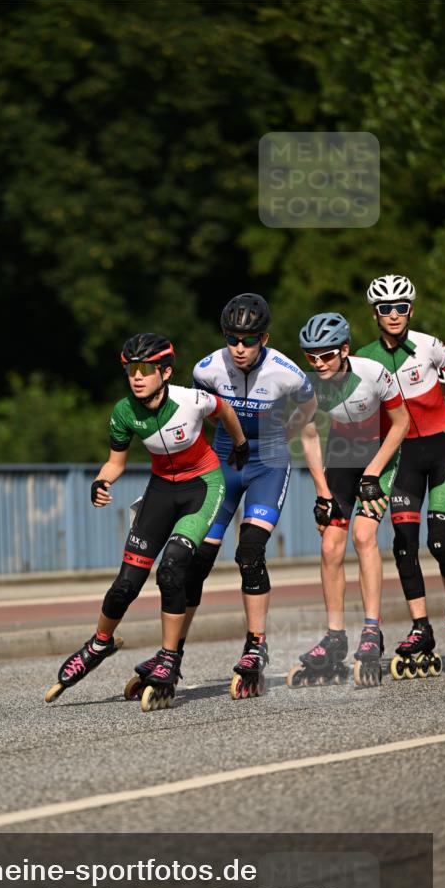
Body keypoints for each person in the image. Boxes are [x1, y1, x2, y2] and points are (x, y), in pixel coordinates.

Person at [44, 332, 248, 711]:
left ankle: (169, 657)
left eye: (144, 370)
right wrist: (101, 481)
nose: (136, 377)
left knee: (171, 570)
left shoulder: (190, 399)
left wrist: (239, 444)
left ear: (165, 372)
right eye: (130, 370)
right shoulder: (124, 412)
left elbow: (225, 411)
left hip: (203, 487)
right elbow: (116, 462)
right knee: (126, 583)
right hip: (161, 491)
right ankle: (101, 642)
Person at [181, 293, 324, 699]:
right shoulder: (207, 369)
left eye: (249, 340)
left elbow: (309, 407)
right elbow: (198, 413)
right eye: (232, 339)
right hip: (225, 460)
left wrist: (285, 437)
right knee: (197, 560)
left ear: (265, 337)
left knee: (250, 551)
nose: (240, 349)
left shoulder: (287, 372)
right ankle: (172, 654)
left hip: (268, 462)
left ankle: (255, 645)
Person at [288, 312, 410, 688]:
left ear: (344, 350)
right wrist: (322, 492)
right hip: (342, 456)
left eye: (326, 355)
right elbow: (308, 437)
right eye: (311, 357)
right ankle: (336, 635)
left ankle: (372, 628)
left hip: (382, 452)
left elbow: (402, 424)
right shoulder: (309, 387)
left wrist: (373, 472)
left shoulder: (373, 374)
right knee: (330, 546)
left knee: (362, 536)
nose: (319, 364)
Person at [359, 275, 445, 671]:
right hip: (403, 457)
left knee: (440, 541)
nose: (393, 315)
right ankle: (420, 627)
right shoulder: (362, 359)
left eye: (401, 308)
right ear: (375, 314)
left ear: (411, 310)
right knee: (403, 542)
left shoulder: (429, 346)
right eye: (385, 308)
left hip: (443, 448)